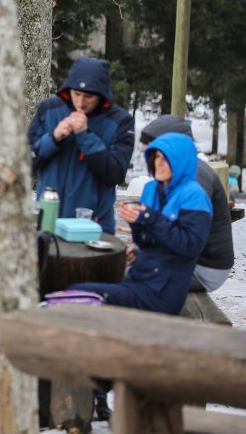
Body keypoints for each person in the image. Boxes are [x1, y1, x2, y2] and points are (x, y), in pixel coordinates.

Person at [71, 132, 213, 314]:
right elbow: (146, 241)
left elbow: (190, 246)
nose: (158, 164)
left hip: (162, 292)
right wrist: (136, 223)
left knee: (77, 295)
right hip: (139, 278)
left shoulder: (194, 195)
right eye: (156, 157)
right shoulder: (152, 189)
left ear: (181, 161)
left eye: (166, 159)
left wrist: (149, 218)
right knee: (74, 288)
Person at [28, 56, 135, 234]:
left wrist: (85, 136)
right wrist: (53, 139)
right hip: (47, 223)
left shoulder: (121, 121)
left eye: (88, 96)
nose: (80, 102)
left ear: (101, 95)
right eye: (76, 94)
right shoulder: (49, 109)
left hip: (93, 227)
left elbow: (115, 174)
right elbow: (26, 163)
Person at [138, 115, 234, 292]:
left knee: (124, 276)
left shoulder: (195, 176)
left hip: (204, 267)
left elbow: (186, 236)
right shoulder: (177, 170)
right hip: (185, 259)